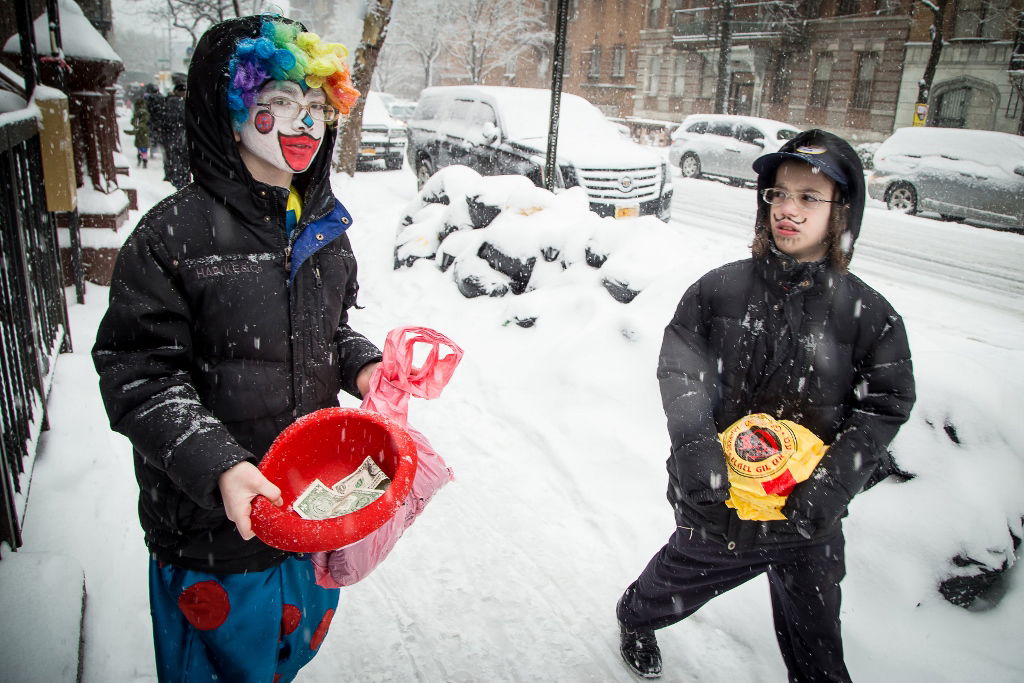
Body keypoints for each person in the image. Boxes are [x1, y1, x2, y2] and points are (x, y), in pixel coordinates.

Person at [92, 15, 374, 682]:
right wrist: (218, 465)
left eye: (314, 106)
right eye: (279, 103)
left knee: (287, 652)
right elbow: (141, 374)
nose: (305, 124)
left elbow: (326, 329)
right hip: (211, 537)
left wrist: (362, 360)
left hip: (305, 511)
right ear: (232, 108)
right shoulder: (173, 237)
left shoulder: (324, 232)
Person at [615, 129, 916, 681]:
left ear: (843, 214)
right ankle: (635, 616)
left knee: (819, 644)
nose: (788, 209)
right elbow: (680, 368)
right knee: (674, 584)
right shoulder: (719, 290)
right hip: (722, 502)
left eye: (809, 197)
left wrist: (827, 489)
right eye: (778, 193)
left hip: (809, 520)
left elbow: (885, 405)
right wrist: (697, 452)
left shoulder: (872, 316)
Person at [161, 73, 190, 189]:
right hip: (183, 138)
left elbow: (163, 120)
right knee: (183, 161)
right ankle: (183, 182)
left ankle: (177, 180)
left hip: (172, 138)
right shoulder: (185, 104)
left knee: (173, 160)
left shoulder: (167, 102)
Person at [124, 98, 151, 168]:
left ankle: (140, 159)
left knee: (140, 147)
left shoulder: (138, 112)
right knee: (144, 147)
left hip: (140, 132)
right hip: (144, 131)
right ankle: (144, 160)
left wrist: (136, 126)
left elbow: (134, 121)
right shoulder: (145, 112)